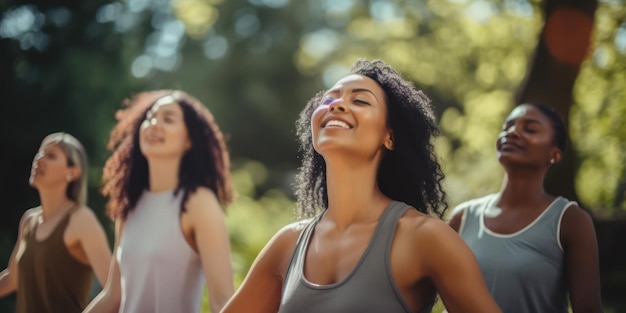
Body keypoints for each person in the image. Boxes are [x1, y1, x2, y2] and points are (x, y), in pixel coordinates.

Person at [221, 59, 501, 313]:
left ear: (389, 137)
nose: (336, 105)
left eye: (361, 101)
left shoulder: (425, 238)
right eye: (329, 99)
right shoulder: (288, 244)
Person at [83, 90, 235, 313]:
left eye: (168, 119)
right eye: (150, 117)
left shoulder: (198, 203)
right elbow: (112, 296)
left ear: (189, 140)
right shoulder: (129, 205)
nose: (154, 124)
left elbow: (222, 302)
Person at [448, 103, 602, 313]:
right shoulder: (462, 217)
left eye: (529, 129)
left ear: (553, 154)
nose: (512, 133)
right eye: (507, 127)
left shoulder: (570, 221)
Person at [0, 132, 112, 313]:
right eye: (40, 153)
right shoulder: (29, 220)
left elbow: (113, 289)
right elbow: (13, 279)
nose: (39, 159)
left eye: (51, 155)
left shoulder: (81, 219)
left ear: (72, 172)